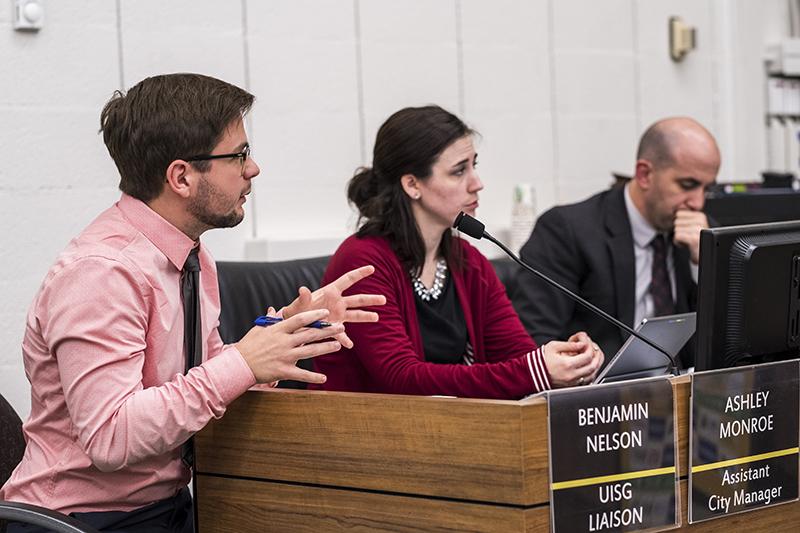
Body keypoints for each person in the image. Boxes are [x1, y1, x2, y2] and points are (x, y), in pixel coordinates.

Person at [0, 73, 384, 532]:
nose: (253, 168)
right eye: (239, 155)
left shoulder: (191, 253)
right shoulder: (101, 272)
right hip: (83, 520)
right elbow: (111, 436)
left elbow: (197, 380)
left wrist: (283, 331)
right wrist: (244, 360)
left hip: (164, 507)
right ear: (181, 177)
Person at [312, 105, 604, 400]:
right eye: (459, 171)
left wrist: (567, 362)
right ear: (412, 184)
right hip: (358, 433)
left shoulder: (467, 260)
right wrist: (535, 370)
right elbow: (401, 378)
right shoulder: (363, 262)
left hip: (445, 430)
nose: (477, 183)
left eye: (474, 166)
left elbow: (517, 354)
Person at [512, 117, 720, 366]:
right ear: (644, 175)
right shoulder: (568, 231)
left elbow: (727, 345)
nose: (698, 202)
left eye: (707, 189)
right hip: (600, 394)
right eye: (687, 185)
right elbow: (531, 342)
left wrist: (705, 265)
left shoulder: (704, 235)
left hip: (685, 394)